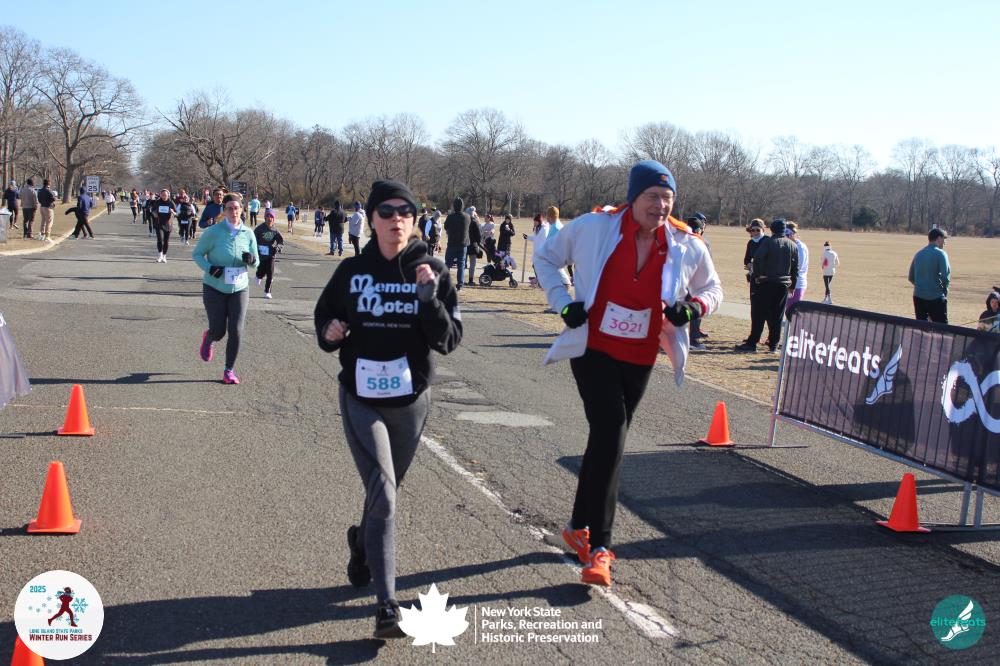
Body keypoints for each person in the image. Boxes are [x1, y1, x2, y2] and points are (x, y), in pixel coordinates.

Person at [535, 160, 722, 587]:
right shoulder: (594, 227)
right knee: (611, 434)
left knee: (606, 441)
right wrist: (562, 301)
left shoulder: (685, 243)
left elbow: (713, 288)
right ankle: (600, 548)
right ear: (633, 198)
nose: (661, 206)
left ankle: (578, 526)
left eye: (667, 198)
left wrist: (694, 307)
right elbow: (547, 257)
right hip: (593, 348)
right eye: (652, 196)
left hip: (641, 355)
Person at [313, 179, 462, 639]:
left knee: (384, 496)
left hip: (411, 400)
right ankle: (387, 606)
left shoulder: (432, 270)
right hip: (361, 398)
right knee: (385, 495)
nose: (396, 219)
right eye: (386, 212)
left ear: (414, 220)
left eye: (405, 212)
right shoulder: (352, 270)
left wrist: (429, 301)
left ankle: (362, 542)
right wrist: (330, 332)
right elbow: (324, 317)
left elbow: (449, 340)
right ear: (372, 219)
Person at [192, 197, 258, 385]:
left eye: (236, 208)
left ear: (242, 209)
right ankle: (209, 337)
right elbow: (197, 254)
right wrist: (209, 268)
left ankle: (229, 370)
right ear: (224, 211)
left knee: (236, 330)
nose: (234, 211)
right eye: (229, 208)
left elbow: (256, 262)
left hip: (240, 288)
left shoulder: (248, 233)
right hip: (215, 287)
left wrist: (252, 260)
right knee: (219, 330)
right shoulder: (213, 232)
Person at [735, 218, 797, 353]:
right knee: (777, 315)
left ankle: (752, 343)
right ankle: (773, 344)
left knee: (758, 314)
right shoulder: (792, 245)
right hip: (783, 285)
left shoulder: (768, 242)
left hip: (766, 283)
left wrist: (758, 276)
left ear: (772, 229)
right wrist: (792, 286)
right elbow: (795, 268)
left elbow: (757, 259)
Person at [908, 228, 950, 324]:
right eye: (944, 239)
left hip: (918, 297)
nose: (944, 242)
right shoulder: (941, 254)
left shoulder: (918, 254)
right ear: (939, 238)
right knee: (941, 329)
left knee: (921, 328)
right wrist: (944, 292)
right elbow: (945, 277)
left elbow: (911, 277)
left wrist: (922, 287)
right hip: (936, 298)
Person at [254, 209, 284, 299]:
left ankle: (267, 291)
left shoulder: (275, 230)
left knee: (270, 273)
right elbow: (253, 240)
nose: (269, 218)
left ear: (274, 219)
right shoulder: (259, 229)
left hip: (271, 255)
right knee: (261, 270)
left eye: (271, 217)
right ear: (265, 218)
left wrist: (278, 247)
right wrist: (255, 249)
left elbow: (281, 241)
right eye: (268, 216)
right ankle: (258, 276)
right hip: (261, 254)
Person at [783, 221, 808, 319]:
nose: (786, 237)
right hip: (786, 283)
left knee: (793, 314)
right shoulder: (786, 245)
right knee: (786, 313)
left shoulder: (800, 247)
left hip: (796, 285)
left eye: (788, 234)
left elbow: (798, 267)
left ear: (793, 234)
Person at [443, 197, 470, 289]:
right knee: (461, 265)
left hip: (452, 243)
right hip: (463, 244)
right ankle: (460, 284)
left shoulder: (451, 217)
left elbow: (446, 227)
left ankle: (444, 282)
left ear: (454, 206)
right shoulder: (467, 216)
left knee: (448, 264)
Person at [153, 189, 176, 262]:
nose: (164, 196)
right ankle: (160, 255)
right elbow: (153, 210)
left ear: (168, 195)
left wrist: (172, 212)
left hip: (168, 224)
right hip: (159, 223)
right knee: (160, 239)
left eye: (165, 195)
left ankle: (164, 256)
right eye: (162, 195)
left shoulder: (171, 203)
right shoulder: (157, 202)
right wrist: (155, 214)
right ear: (160, 195)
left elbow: (176, 213)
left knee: (166, 241)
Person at [466, 209, 483, 286]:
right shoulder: (474, 222)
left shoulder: (465, 221)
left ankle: (461, 279)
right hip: (473, 245)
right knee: (472, 264)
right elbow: (478, 236)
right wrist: (479, 244)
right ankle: (471, 280)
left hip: (464, 244)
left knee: (462, 263)